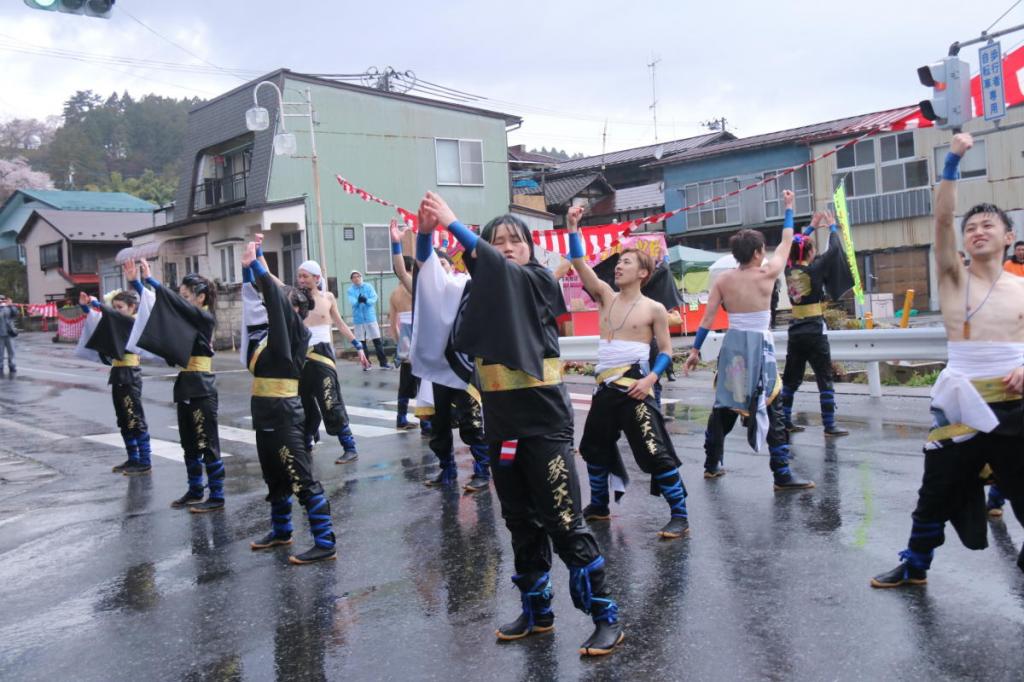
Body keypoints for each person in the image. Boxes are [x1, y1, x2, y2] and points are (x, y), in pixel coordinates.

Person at [419, 191, 624, 656]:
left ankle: (605, 616)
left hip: (543, 424)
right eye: (498, 240)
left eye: (515, 240)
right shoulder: (478, 291)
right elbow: (428, 287)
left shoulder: (535, 281)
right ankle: (538, 612)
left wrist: (454, 223)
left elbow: (499, 271)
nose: (507, 247)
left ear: (530, 248)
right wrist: (424, 234)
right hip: (501, 425)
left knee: (564, 521)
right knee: (519, 522)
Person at [871, 133, 1024, 588]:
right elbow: (941, 219)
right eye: (971, 227)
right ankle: (915, 565)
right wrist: (953, 160)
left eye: (988, 226)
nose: (977, 231)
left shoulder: (1021, 289)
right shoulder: (954, 277)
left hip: (1014, 405)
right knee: (935, 490)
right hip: (960, 405)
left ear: (1009, 237)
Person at [563, 206, 689, 540]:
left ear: (643, 273)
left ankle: (680, 514)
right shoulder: (605, 296)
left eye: (627, 262)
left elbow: (665, 352)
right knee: (593, 448)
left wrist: (651, 379)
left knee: (654, 451)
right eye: (618, 262)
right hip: (605, 388)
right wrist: (572, 227)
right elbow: (578, 264)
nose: (619, 266)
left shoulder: (655, 309)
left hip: (636, 385)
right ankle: (600, 505)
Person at [685, 190, 815, 491]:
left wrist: (694, 350)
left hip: (733, 346)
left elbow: (707, 319)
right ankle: (781, 472)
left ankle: (711, 462)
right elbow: (786, 241)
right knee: (772, 405)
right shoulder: (768, 273)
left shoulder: (723, 280)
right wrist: (788, 208)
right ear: (757, 252)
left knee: (726, 404)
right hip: (759, 346)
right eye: (762, 250)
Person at [240, 242, 338, 564]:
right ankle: (282, 531)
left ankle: (324, 541)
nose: (275, 308)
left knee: (301, 478)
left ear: (294, 310)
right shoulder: (273, 335)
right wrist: (251, 269)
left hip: (284, 415)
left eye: (281, 305)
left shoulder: (296, 331)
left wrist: (256, 265)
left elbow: (272, 296)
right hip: (265, 414)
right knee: (275, 477)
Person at [256, 239, 369, 465]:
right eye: (299, 276)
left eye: (306, 276)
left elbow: (340, 323)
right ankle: (306, 443)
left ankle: (349, 446)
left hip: (323, 356)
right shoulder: (294, 296)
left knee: (329, 400)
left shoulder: (327, 298)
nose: (301, 280)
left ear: (317, 278)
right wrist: (258, 251)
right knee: (302, 403)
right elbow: (269, 278)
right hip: (300, 356)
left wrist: (358, 345)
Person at [399, 222, 491, 494]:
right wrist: (411, 239)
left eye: (444, 262)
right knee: (438, 425)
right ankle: (447, 470)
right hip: (438, 367)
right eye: (434, 264)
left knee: (472, 423)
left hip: (464, 366)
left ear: (452, 265)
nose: (439, 267)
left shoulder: (465, 284)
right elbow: (412, 268)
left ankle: (482, 471)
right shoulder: (428, 293)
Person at [127, 259, 225, 512]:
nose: (182, 300)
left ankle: (216, 494)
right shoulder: (188, 318)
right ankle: (194, 490)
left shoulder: (204, 318)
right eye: (181, 296)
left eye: (186, 296)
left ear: (201, 297)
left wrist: (151, 281)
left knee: (207, 443)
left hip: (202, 387)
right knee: (189, 443)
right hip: (186, 385)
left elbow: (174, 305)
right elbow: (155, 310)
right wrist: (138, 285)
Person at [779, 209, 852, 437]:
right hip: (814, 330)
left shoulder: (789, 269)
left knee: (791, 378)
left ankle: (784, 421)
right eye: (812, 249)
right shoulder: (814, 268)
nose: (815, 252)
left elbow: (793, 245)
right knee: (824, 377)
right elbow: (836, 250)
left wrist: (810, 226)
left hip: (795, 330)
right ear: (809, 252)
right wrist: (831, 227)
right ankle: (829, 426)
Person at [76, 286, 153, 475]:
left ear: (133, 307)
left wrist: (98, 304)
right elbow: (99, 323)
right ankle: (133, 458)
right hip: (118, 372)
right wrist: (87, 308)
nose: (117, 311)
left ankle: (145, 460)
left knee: (134, 417)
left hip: (130, 373)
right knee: (123, 418)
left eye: (120, 307)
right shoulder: (119, 320)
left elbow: (116, 319)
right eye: (115, 307)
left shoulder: (133, 322)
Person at [347, 270, 390, 368]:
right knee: (362, 342)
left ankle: (383, 362)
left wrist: (366, 300)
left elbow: (374, 298)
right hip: (358, 319)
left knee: (377, 340)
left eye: (358, 276)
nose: (356, 278)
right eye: (354, 277)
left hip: (370, 317)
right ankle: (366, 363)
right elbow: (352, 301)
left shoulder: (368, 286)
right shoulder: (350, 290)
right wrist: (358, 301)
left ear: (361, 277)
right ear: (351, 280)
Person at [0, 294, 17, 375]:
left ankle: (12, 365)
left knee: (11, 351)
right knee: (0, 352)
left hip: (9, 333)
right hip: (0, 334)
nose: (2, 301)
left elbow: (15, 313)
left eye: (3, 299)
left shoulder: (9, 307)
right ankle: (0, 366)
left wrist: (10, 305)